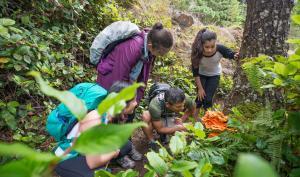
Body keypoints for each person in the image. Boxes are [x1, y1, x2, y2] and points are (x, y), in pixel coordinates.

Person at [54, 81, 142, 177]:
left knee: (125, 145)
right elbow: (92, 162)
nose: (136, 103)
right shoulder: (95, 119)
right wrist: (113, 153)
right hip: (67, 157)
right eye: (133, 100)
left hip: (84, 151)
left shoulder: (110, 113)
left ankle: (100, 167)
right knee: (98, 174)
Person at [96, 22, 174, 123]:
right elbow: (118, 78)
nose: (160, 56)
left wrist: (135, 101)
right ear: (151, 45)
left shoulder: (149, 50)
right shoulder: (133, 47)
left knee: (128, 116)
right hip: (110, 82)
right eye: (160, 53)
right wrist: (123, 105)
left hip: (127, 85)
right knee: (109, 118)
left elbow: (143, 78)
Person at [191, 28, 239, 118]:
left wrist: (235, 55)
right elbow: (195, 73)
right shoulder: (197, 52)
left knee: (208, 99)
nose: (209, 50)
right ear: (202, 45)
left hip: (214, 75)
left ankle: (208, 119)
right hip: (201, 75)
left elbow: (230, 54)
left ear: (215, 43)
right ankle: (195, 117)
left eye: (212, 46)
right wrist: (200, 89)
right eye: (207, 47)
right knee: (200, 97)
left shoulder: (220, 48)